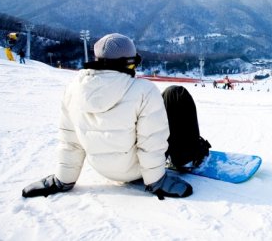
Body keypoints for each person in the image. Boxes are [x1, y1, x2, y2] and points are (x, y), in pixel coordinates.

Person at [22, 33, 210, 200]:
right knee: (175, 94)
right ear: (129, 62)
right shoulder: (143, 90)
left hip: (104, 170)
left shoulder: (73, 89)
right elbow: (150, 141)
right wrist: (156, 181)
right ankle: (187, 157)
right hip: (138, 171)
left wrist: (62, 179)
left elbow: (70, 142)